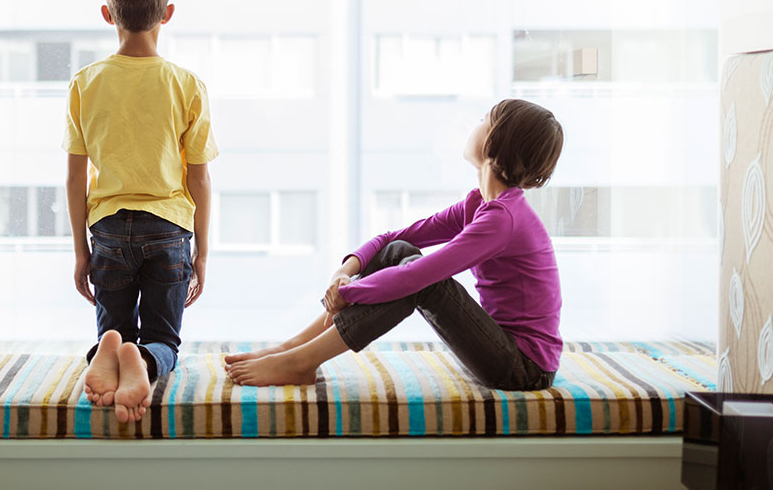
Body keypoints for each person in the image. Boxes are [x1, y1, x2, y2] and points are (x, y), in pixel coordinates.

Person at [226, 99, 564, 391]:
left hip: (524, 369)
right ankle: (296, 347)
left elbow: (419, 277)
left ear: (495, 141)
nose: (474, 125)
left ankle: (300, 362)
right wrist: (347, 269)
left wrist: (351, 292)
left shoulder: (502, 220)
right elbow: (394, 239)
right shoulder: (479, 205)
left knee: (428, 284)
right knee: (399, 252)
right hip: (499, 347)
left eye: (483, 120)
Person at [63, 0, 219, 422]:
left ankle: (111, 346)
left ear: (108, 15)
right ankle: (145, 359)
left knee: (113, 329)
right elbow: (199, 177)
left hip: (108, 230)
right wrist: (203, 253)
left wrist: (79, 252)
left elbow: (75, 179)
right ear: (167, 13)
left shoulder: (85, 84)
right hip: (168, 229)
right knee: (164, 338)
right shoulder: (187, 85)